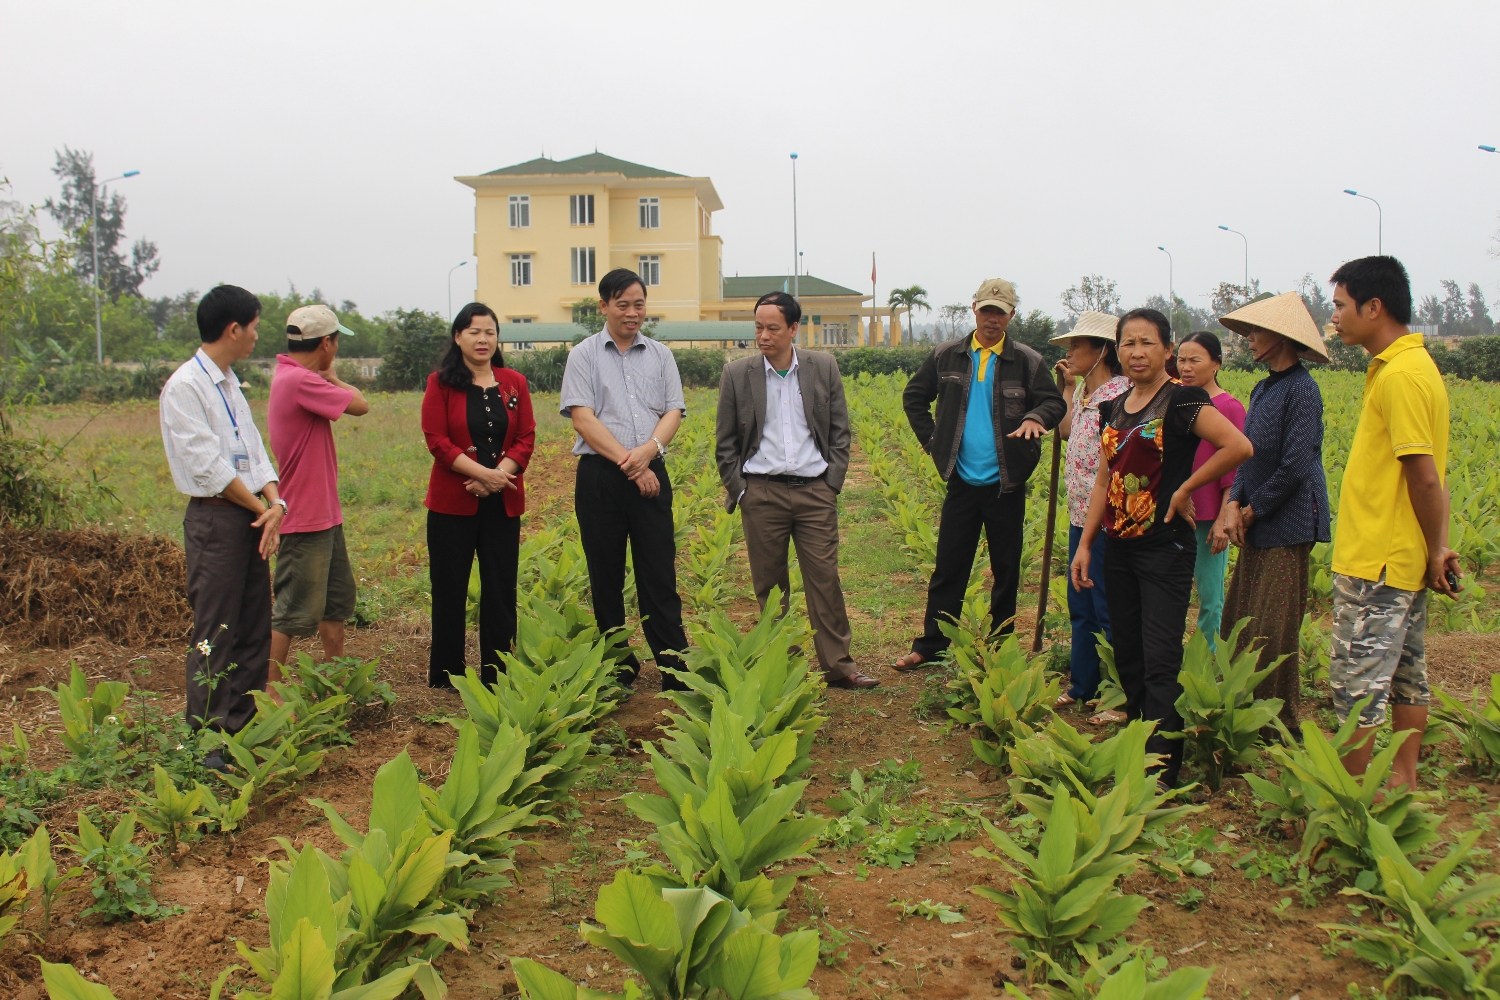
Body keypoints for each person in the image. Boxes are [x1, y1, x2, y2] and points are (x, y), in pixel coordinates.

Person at [1070, 309, 1252, 787]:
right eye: (1128, 343)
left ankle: (1164, 768)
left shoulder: (1183, 400)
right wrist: (1086, 543)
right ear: (1118, 350)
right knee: (1128, 652)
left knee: (1160, 655)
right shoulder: (1114, 408)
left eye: (1147, 342)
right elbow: (1104, 479)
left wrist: (1186, 487)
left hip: (1164, 547)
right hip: (1118, 547)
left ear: (1167, 350)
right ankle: (1138, 744)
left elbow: (1238, 447)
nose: (1137, 352)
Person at [1325, 256, 1458, 790]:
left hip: (1378, 558)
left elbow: (1423, 477)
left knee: (1356, 682)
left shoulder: (1401, 375)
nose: (1334, 316)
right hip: (1401, 554)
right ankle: (1402, 782)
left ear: (1374, 307)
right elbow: (1433, 476)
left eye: (1340, 305)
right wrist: (1435, 547)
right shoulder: (1412, 366)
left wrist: (1436, 549)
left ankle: (1353, 799)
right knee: (1405, 673)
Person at [894, 278, 1066, 671]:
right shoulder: (947, 356)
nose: (992, 318)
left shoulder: (1027, 361)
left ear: (1011, 315)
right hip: (962, 479)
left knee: (1006, 569)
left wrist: (1035, 417)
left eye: (1000, 312)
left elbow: (1053, 402)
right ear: (975, 309)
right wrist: (933, 441)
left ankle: (1001, 645)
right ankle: (932, 644)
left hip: (1007, 482)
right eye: (987, 310)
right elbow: (915, 396)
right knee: (949, 566)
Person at [715, 292, 878, 689]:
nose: (763, 336)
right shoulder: (737, 374)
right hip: (761, 493)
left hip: (814, 492)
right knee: (770, 587)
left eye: (772, 328)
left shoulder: (822, 366)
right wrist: (741, 490)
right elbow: (725, 442)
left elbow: (840, 430)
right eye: (758, 327)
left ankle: (839, 666)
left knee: (824, 579)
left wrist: (832, 483)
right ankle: (782, 667)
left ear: (793, 328)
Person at [158, 284, 284, 766]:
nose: (256, 336)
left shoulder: (230, 384)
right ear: (233, 329)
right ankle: (209, 738)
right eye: (254, 327)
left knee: (254, 622)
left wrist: (275, 502)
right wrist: (260, 508)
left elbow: (254, 451)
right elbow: (208, 466)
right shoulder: (186, 387)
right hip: (217, 516)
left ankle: (243, 727)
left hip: (250, 513)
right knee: (216, 628)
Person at [560, 268, 688, 690]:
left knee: (659, 573)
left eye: (639, 304)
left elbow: (673, 411)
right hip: (601, 477)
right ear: (604, 306)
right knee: (606, 576)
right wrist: (631, 463)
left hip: (652, 470)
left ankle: (674, 668)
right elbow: (583, 418)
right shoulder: (583, 355)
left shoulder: (661, 355)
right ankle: (618, 666)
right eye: (623, 305)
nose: (632, 313)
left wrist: (649, 451)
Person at [1218, 293, 1332, 729]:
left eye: (1255, 332)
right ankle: (1242, 706)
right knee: (1244, 615)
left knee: (1274, 624)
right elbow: (1246, 453)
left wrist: (1252, 510)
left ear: (1280, 338)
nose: (1248, 339)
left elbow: (1296, 464)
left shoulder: (1303, 390)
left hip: (1289, 521)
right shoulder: (1264, 387)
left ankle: (1277, 721)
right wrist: (1234, 502)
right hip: (1257, 515)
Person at [421, 302, 536, 688]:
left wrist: (497, 477)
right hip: (452, 505)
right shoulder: (440, 383)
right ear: (458, 337)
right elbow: (437, 440)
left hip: (502, 503)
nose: (483, 339)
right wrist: (481, 474)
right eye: (474, 331)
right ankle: (446, 675)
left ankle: (497, 674)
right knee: (449, 588)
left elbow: (526, 437)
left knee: (500, 590)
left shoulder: (514, 382)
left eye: (490, 331)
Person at [267, 304, 370, 689]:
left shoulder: (291, 376)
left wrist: (328, 376)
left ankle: (335, 680)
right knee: (290, 611)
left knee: (334, 605)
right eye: (336, 342)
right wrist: (335, 378)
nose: (337, 348)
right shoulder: (300, 381)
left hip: (323, 514)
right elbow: (360, 405)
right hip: (305, 517)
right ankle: (269, 690)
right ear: (326, 343)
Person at [1047, 311, 1130, 719]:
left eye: (1077, 345)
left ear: (1102, 351)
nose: (1070, 352)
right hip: (1080, 515)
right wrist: (1066, 388)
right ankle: (1083, 684)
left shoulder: (1121, 396)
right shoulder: (1083, 392)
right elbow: (1064, 432)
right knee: (1080, 602)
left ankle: (1119, 691)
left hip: (1110, 519)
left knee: (1107, 606)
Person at [1175, 332, 1246, 647]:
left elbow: (1236, 471)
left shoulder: (1229, 407)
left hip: (1207, 517)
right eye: (1181, 360)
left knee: (1209, 595)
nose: (1186, 367)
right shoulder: (1176, 402)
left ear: (1216, 364)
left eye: (1195, 360)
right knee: (1172, 594)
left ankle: (1208, 660)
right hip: (1175, 513)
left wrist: (1222, 519)